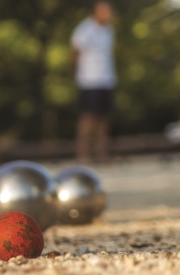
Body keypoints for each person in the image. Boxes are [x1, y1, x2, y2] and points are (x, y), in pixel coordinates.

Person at [71, 1, 116, 163]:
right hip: (89, 80)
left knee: (104, 119)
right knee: (88, 118)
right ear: (96, 12)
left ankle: (101, 154)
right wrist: (76, 73)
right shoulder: (85, 30)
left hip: (106, 79)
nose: (108, 15)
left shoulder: (109, 30)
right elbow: (75, 52)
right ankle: (83, 155)